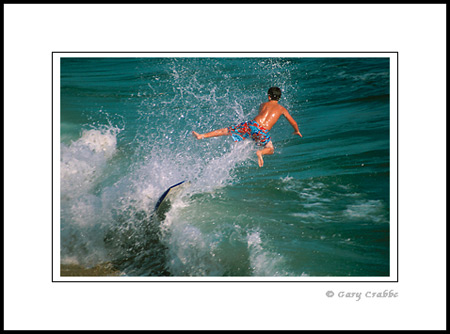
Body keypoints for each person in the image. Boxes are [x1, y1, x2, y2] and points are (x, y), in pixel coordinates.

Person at [192, 87, 302, 167]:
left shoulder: (263, 104)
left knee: (227, 130)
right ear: (279, 98)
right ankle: (261, 152)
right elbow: (293, 122)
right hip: (262, 131)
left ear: (269, 97)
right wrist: (296, 131)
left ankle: (202, 135)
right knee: (270, 148)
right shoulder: (282, 109)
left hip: (251, 124)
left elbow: (261, 114)